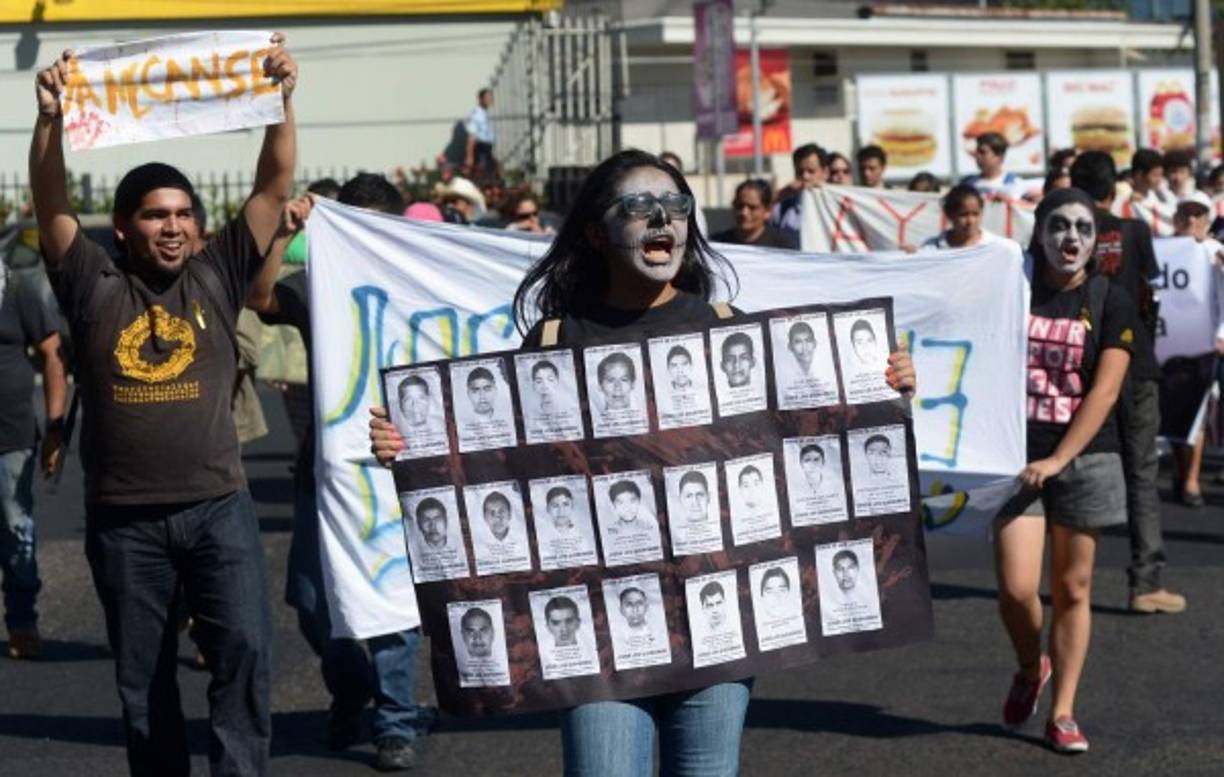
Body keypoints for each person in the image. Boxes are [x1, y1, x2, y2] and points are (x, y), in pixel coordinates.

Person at [369, 148, 916, 776]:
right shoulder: (555, 340)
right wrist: (412, 455)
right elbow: (503, 476)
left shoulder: (726, 328)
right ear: (598, 233)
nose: (663, 219)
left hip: (719, 627)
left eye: (677, 206)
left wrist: (881, 387)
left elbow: (808, 442)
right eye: (639, 206)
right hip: (600, 638)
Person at [30, 38, 296, 777]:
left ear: (201, 228)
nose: (171, 226)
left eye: (183, 213)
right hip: (127, 522)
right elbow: (49, 203)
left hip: (220, 508)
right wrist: (49, 120)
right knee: (144, 685)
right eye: (154, 215)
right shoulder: (94, 285)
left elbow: (272, 191)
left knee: (244, 653)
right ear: (122, 226)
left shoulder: (215, 276)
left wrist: (282, 101)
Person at [247, 172, 434, 771]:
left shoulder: (422, 287)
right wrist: (284, 233)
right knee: (312, 601)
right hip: (323, 473)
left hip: (396, 468)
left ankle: (395, 721)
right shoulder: (320, 289)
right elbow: (258, 298)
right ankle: (352, 692)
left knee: (390, 602)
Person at [996, 187, 1138, 754]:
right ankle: (1033, 668)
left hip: (1087, 456)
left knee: (1073, 587)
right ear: (1040, 232)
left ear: (1096, 237)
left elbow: (1104, 394)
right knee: (1016, 587)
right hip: (1016, 457)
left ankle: (1063, 712)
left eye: (1082, 227)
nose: (1070, 239)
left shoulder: (1112, 300)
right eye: (1058, 226)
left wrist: (1059, 460)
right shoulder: (1013, 291)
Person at [1068, 152, 1186, 614]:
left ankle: (1065, 576)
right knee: (1140, 473)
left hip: (1077, 367)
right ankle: (1145, 582)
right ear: (1113, 187)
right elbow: (1151, 287)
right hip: (1134, 365)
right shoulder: (1134, 230)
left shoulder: (1060, 232)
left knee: (1066, 467)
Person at [0, 250, 66, 660]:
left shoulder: (18, 290)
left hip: (10, 435)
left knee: (13, 526)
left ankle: (22, 619)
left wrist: (55, 427)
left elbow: (52, 355)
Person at [1169, 191, 1224, 505]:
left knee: (1200, 412)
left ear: (1206, 220)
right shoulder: (1163, 249)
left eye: (1197, 215)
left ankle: (1191, 480)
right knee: (1179, 411)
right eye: (1185, 214)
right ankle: (1181, 469)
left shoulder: (1214, 251)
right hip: (1174, 345)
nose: (1191, 221)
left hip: (1208, 343)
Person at [712, 179, 798, 249]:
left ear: (767, 211)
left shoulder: (783, 246)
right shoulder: (717, 244)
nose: (744, 213)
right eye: (739, 206)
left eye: (752, 208)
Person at [919, 184, 1002, 251]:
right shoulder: (931, 248)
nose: (970, 221)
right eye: (964, 215)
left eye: (975, 214)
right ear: (950, 215)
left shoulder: (996, 246)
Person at [771, 143, 828, 237]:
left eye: (811, 171)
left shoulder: (836, 207)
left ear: (825, 172)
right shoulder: (784, 207)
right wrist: (784, 193)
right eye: (800, 172)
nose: (805, 177)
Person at [960, 132, 1025, 199]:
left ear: (999, 157)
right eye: (977, 152)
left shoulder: (1016, 184)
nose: (977, 156)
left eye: (983, 152)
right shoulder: (966, 184)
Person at [464, 88, 497, 180]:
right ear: (480, 99)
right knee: (482, 177)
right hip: (480, 149)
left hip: (487, 149)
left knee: (491, 174)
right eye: (487, 97)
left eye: (491, 97)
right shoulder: (476, 114)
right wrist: (469, 157)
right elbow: (471, 136)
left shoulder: (485, 113)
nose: (490, 100)